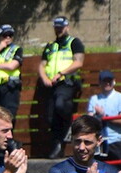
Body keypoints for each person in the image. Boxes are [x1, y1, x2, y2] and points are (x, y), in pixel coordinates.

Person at [39, 16, 85, 160]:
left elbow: (78, 63)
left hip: (67, 82)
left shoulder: (74, 42)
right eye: (57, 27)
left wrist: (61, 73)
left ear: (67, 27)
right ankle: (57, 146)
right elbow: (42, 65)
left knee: (60, 104)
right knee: (50, 117)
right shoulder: (50, 46)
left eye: (61, 27)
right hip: (51, 85)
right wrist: (44, 78)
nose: (59, 30)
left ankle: (69, 125)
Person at [88, 70, 121, 162]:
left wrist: (104, 116)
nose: (107, 83)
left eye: (109, 81)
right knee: (98, 169)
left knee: (119, 169)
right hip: (98, 142)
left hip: (115, 141)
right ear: (100, 82)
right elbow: (89, 121)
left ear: (114, 81)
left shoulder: (120, 97)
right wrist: (95, 116)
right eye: (104, 81)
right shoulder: (94, 99)